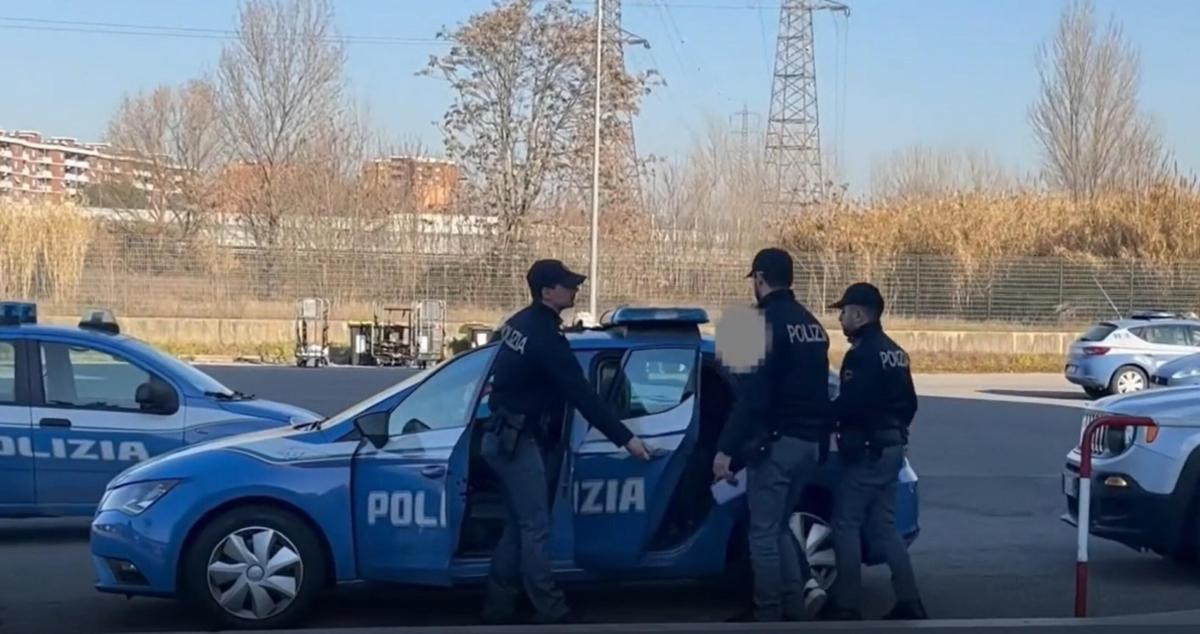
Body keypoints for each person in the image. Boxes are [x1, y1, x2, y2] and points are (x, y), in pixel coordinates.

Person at [480, 258, 653, 625]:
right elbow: (584, 396)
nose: (575, 289)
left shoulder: (517, 324)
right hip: (518, 441)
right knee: (535, 527)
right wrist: (627, 440)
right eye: (567, 285)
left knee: (519, 525)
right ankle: (551, 610)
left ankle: (497, 607)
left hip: (500, 436)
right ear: (546, 292)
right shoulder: (546, 338)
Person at [713, 247, 834, 622]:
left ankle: (767, 614)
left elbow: (750, 398)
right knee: (779, 526)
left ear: (760, 279)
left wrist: (725, 451)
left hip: (778, 444)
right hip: (811, 444)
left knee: (763, 534)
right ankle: (794, 610)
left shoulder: (757, 324)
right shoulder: (812, 324)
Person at [822, 282, 926, 621]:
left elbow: (852, 405)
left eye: (844, 312)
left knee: (845, 523)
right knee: (885, 528)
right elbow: (910, 403)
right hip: (893, 448)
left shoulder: (861, 355)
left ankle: (846, 604)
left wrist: (825, 415)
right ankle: (910, 601)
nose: (840, 319)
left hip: (868, 451)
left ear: (860, 313)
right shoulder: (896, 351)